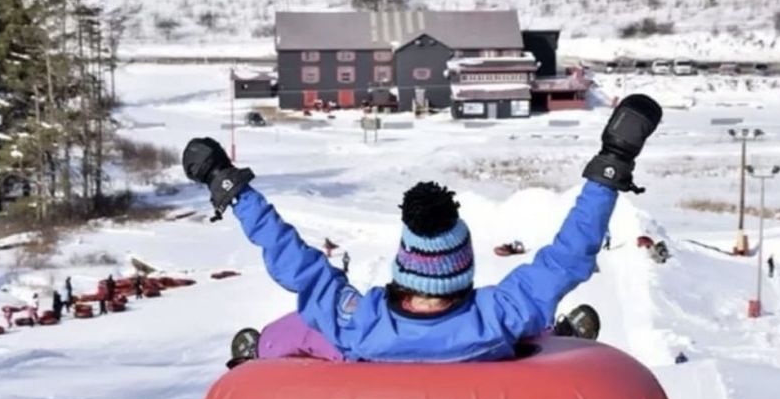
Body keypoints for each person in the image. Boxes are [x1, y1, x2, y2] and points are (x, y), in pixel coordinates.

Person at [181, 93, 662, 363]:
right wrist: (612, 162)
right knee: (531, 332)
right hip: (491, 347)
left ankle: (256, 352)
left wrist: (231, 188)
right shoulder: (499, 314)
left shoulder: (359, 321)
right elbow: (568, 255)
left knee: (302, 327)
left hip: (371, 352)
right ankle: (561, 336)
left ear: (404, 265)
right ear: (463, 266)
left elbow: (293, 262)